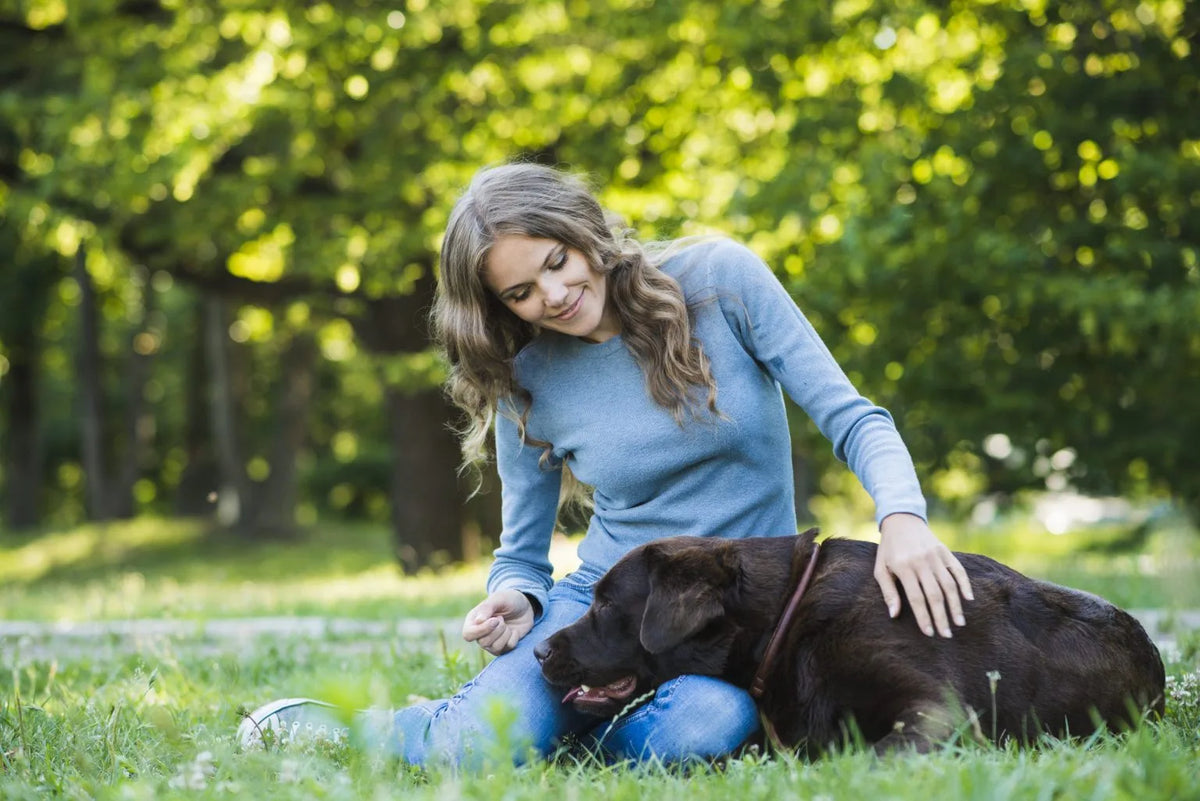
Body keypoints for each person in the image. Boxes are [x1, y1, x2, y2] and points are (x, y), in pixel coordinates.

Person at [237, 162, 974, 767]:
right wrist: (516, 600)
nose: (553, 296)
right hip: (606, 603)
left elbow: (855, 418)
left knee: (703, 733)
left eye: (557, 262)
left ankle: (571, 730)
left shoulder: (720, 281)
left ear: (585, 232)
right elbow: (520, 557)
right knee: (475, 747)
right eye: (521, 292)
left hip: (739, 618)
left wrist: (902, 519)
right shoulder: (525, 374)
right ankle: (370, 725)